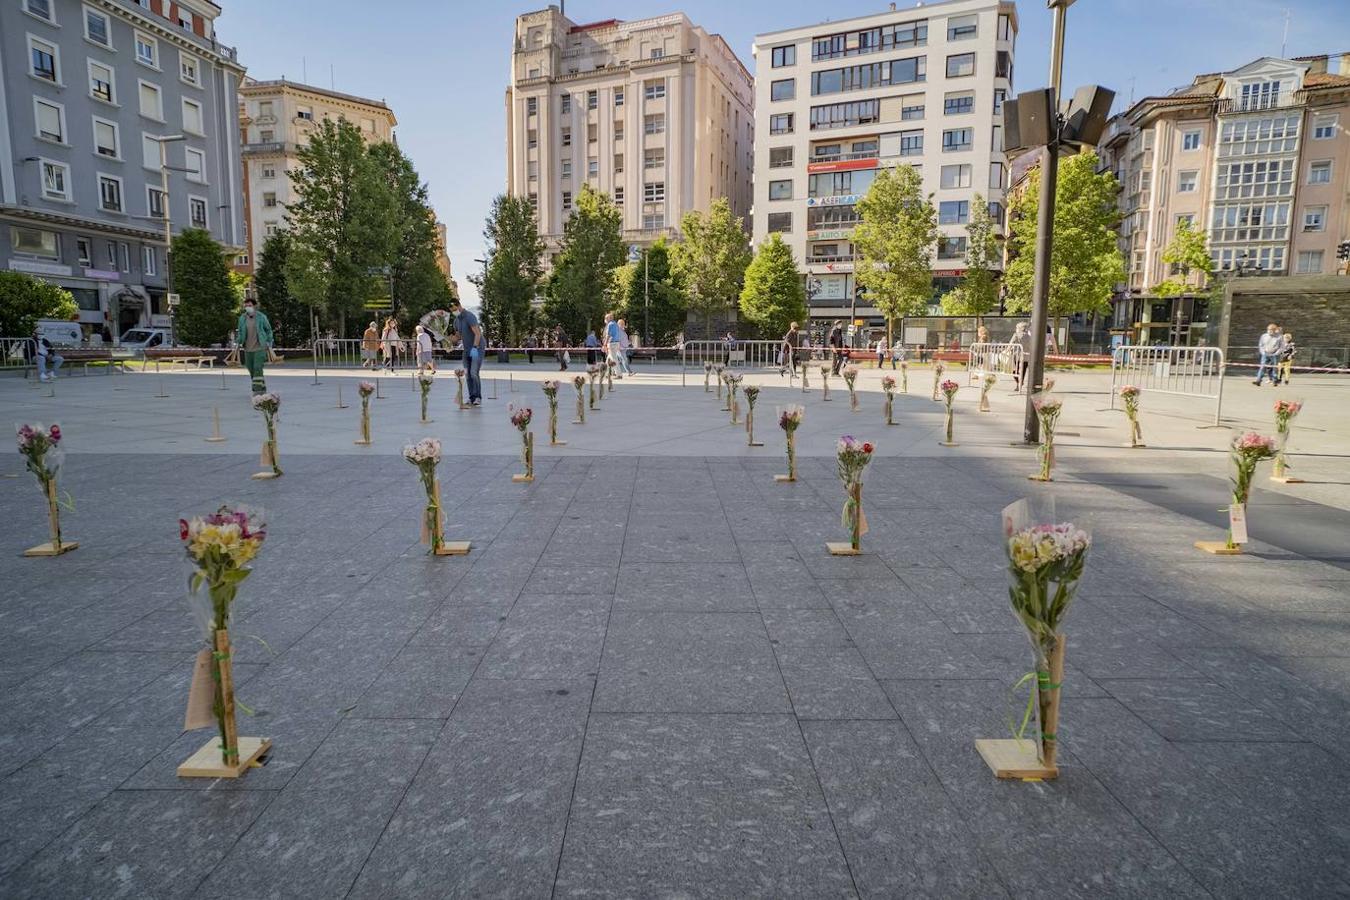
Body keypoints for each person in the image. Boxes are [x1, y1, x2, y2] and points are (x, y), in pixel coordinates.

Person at [449, 298, 485, 406]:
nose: (453, 311)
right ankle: (471, 397)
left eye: (454, 309)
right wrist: (449, 340)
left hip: (477, 348)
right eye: (451, 310)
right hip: (466, 349)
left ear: (459, 306)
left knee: (474, 373)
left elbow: (477, 334)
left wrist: (475, 347)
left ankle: (478, 397)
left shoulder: (469, 316)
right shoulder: (456, 321)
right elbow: (458, 337)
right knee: (468, 374)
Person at [235, 298, 274, 393]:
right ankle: (261, 385)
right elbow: (240, 331)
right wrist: (238, 341)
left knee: (257, 367)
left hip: (260, 347)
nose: (247, 307)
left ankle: (257, 390)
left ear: (254, 306)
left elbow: (268, 330)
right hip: (247, 348)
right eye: (246, 306)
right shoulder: (242, 318)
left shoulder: (261, 317)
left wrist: (269, 341)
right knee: (250, 368)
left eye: (249, 305)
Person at [1008, 322, 1031, 391]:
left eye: (1016, 328)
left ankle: (1019, 383)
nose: (1016, 329)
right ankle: (1019, 384)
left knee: (1015, 371)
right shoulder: (1029, 336)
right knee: (1022, 371)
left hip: (1017, 356)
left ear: (1020, 329)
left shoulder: (1016, 335)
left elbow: (1010, 344)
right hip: (1026, 357)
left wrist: (1007, 350)